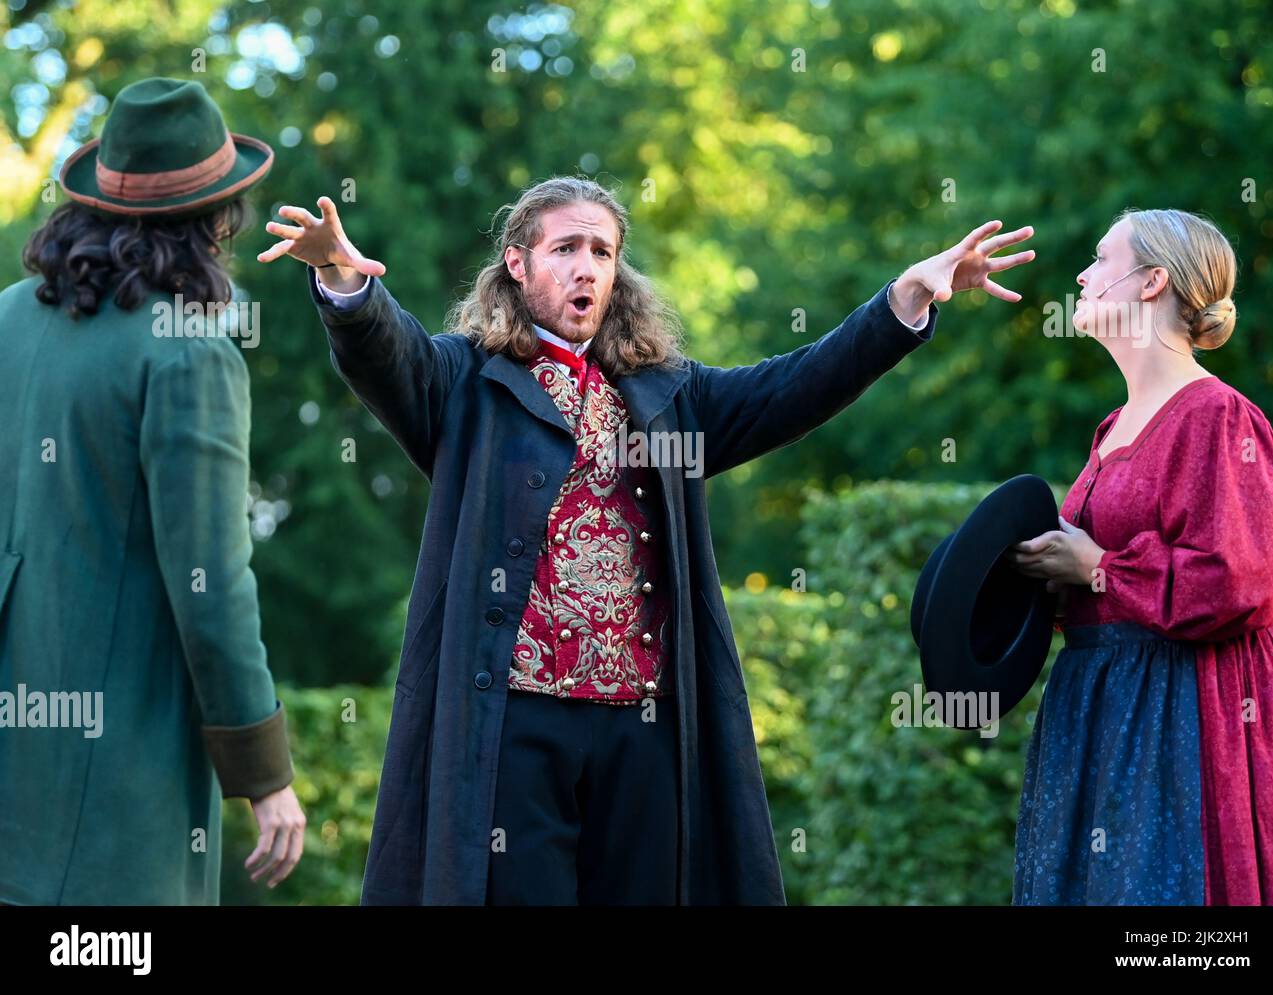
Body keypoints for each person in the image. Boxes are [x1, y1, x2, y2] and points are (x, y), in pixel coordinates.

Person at [258, 175, 1033, 904]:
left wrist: (902, 299)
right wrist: (347, 285)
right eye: (565, 249)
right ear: (518, 262)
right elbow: (387, 356)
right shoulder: (464, 383)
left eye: (602, 251)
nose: (585, 266)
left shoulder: (669, 396)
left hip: (645, 726)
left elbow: (798, 385)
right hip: (517, 723)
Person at [0, 77, 304, 905]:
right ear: (217, 218)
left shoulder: (6, 318)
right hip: (112, 794)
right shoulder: (189, 354)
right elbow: (211, 584)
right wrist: (264, 772)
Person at [1011, 208, 1273, 905]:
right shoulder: (1112, 427)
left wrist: (1099, 567)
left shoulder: (1217, 415)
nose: (1081, 274)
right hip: (1103, 704)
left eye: (1102, 258)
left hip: (1186, 707)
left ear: (1153, 282)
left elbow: (1242, 579)